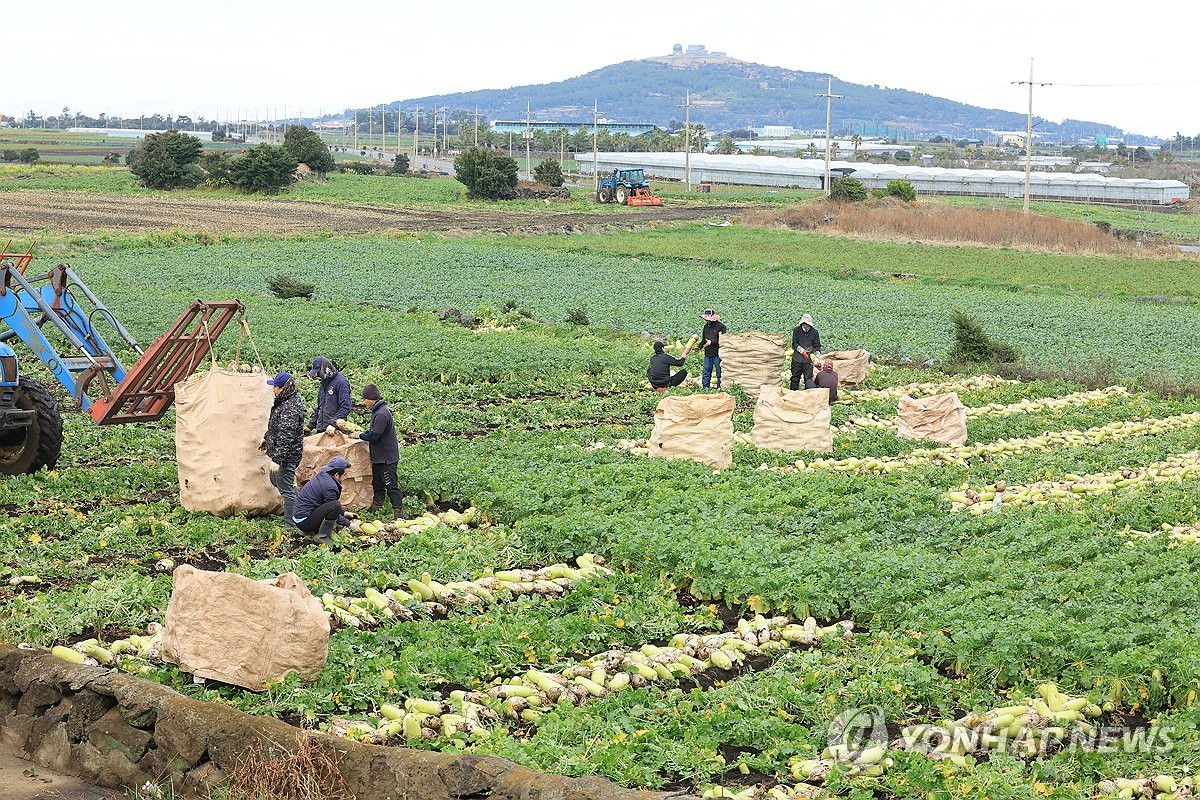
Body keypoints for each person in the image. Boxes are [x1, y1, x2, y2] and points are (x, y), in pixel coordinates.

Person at [262, 372, 306, 530]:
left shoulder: (290, 408)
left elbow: (286, 436)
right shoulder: (284, 402)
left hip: (288, 456)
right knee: (281, 482)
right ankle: (302, 508)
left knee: (286, 489)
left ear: (282, 388)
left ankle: (291, 524)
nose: (273, 389)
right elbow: (276, 428)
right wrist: (266, 438)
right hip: (283, 454)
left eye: (275, 386)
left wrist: (277, 459)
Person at [354, 384, 403, 514]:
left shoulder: (381, 414)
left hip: (386, 457)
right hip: (379, 457)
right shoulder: (378, 411)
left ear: (370, 399)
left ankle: (398, 511)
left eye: (364, 399)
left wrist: (359, 435)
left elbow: (375, 436)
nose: (364, 403)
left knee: (391, 484)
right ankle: (377, 505)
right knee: (378, 483)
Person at [292, 456, 354, 545]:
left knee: (334, 505)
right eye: (345, 475)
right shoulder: (330, 487)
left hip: (300, 517)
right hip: (304, 521)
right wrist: (349, 525)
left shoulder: (323, 477)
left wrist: (344, 513)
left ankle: (313, 529)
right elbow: (332, 507)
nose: (346, 477)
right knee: (335, 505)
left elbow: (327, 504)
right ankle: (321, 536)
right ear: (336, 474)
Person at [305, 356, 352, 434]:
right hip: (322, 429)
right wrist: (310, 425)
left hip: (335, 431)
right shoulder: (324, 383)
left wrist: (334, 424)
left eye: (318, 372)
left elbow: (345, 406)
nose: (317, 375)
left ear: (325, 369)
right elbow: (320, 407)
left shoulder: (341, 382)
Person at [790, 314, 822, 391]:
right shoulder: (796, 330)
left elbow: (817, 346)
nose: (806, 326)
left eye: (807, 324)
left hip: (808, 361)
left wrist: (817, 357)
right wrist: (802, 351)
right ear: (802, 324)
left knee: (808, 379)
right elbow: (794, 344)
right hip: (797, 359)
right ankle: (792, 394)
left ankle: (808, 395)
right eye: (804, 324)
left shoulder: (815, 332)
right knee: (795, 378)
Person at [699, 309, 728, 390]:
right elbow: (704, 339)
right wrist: (699, 347)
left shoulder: (721, 327)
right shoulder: (706, 327)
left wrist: (712, 342)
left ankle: (720, 388)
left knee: (719, 373)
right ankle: (705, 388)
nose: (706, 320)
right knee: (706, 372)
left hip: (718, 354)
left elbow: (724, 340)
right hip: (707, 354)